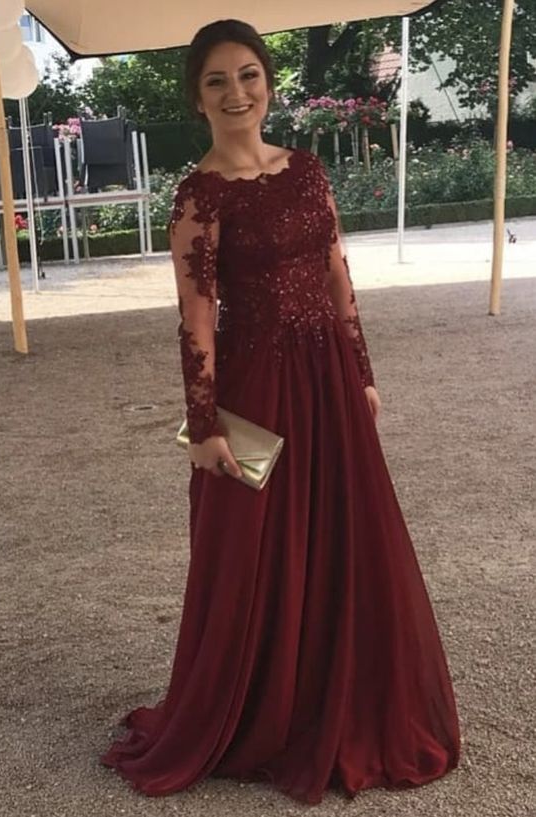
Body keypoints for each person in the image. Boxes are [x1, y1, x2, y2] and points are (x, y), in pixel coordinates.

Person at [101, 19, 460, 805]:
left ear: (268, 83)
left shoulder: (305, 171)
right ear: (197, 99)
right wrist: (203, 425)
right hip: (254, 384)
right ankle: (258, 707)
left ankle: (336, 694)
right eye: (217, 81)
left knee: (340, 532)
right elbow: (196, 315)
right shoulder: (198, 194)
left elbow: (336, 275)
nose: (237, 93)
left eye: (248, 75)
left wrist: (361, 373)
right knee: (249, 548)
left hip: (327, 378)